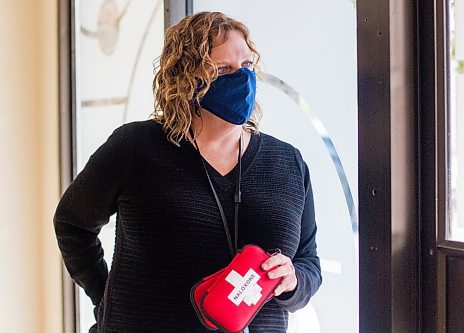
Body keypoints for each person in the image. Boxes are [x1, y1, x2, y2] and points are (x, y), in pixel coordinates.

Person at [53, 11, 322, 333]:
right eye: (223, 69)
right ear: (188, 80)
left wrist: (293, 280)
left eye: (247, 65)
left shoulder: (287, 162)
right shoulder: (135, 147)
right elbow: (73, 224)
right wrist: (106, 299)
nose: (242, 78)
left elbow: (309, 263)